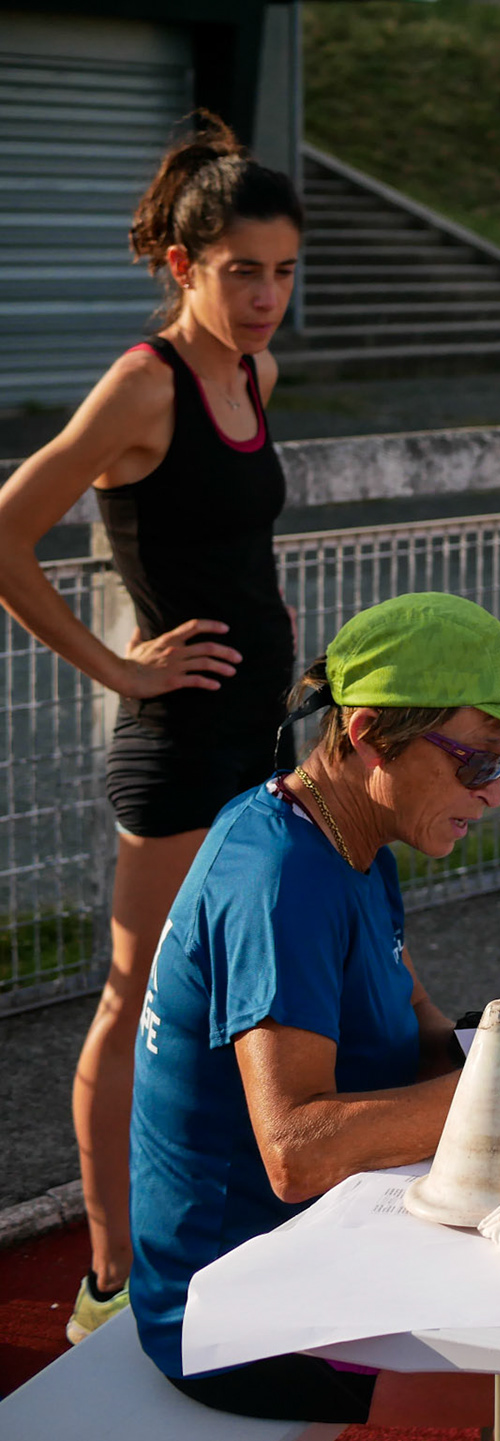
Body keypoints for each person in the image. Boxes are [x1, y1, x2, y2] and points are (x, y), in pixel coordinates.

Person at [127, 592, 500, 1440]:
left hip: (327, 1236)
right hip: (241, 1303)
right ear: (370, 732)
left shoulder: (351, 836)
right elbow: (294, 1152)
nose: (495, 795)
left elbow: (420, 1027)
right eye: (478, 761)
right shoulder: (278, 880)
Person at [0, 113, 301, 1345]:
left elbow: (232, 539)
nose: (268, 297)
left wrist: (279, 626)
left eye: (285, 271)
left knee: (240, 990)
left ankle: (219, 1228)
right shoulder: (145, 382)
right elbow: (7, 531)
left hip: (261, 731)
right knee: (137, 996)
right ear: (185, 266)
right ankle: (109, 1274)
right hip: (177, 745)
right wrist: (116, 666)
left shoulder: (255, 374)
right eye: (243, 272)